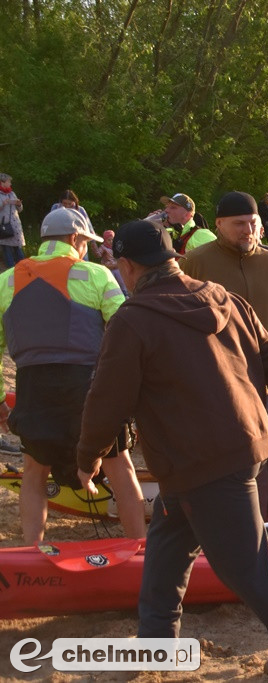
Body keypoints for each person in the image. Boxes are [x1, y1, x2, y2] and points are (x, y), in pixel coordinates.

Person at [75, 220, 268, 683]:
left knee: (252, 572)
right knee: (167, 550)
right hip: (241, 446)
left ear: (129, 267)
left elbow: (106, 398)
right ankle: (155, 650)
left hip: (204, 463)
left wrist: (88, 454)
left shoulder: (132, 320)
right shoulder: (223, 298)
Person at [0, 207, 146, 544]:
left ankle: (33, 550)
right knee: (119, 466)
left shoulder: (7, 280)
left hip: (32, 386)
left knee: (35, 471)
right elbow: (126, 329)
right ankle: (140, 546)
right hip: (88, 385)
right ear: (75, 238)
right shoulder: (96, 275)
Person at [182, 191, 268, 522]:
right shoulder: (196, 263)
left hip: (264, 376)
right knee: (222, 459)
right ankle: (216, 523)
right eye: (239, 224)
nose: (248, 230)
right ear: (219, 224)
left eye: (253, 223)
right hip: (213, 379)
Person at [146, 193, 216, 254]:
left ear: (187, 215)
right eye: (166, 207)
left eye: (173, 207)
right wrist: (147, 226)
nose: (166, 210)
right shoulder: (165, 232)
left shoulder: (202, 235)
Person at [0, 172, 26, 269]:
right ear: (2, 182)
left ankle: (24, 268)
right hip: (4, 226)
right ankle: (11, 271)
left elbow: (20, 210)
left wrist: (18, 204)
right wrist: (3, 204)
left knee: (18, 249)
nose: (10, 184)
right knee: (7, 249)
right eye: (9, 181)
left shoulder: (12, 193)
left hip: (15, 225)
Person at [96, 229, 128, 294]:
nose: (111, 241)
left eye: (112, 239)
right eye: (109, 240)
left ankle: (125, 293)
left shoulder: (116, 246)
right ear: (105, 240)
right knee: (110, 281)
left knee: (121, 280)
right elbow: (98, 254)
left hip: (117, 267)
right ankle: (111, 294)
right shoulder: (103, 247)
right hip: (108, 268)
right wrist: (93, 244)